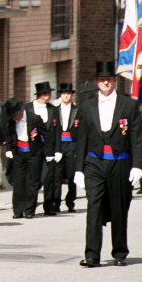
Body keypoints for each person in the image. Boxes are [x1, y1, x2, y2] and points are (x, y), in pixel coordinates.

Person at [74, 61, 142, 267]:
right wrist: (78, 169)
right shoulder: (86, 106)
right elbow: (81, 140)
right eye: (101, 79)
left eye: (109, 79)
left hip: (120, 162)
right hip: (94, 162)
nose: (105, 82)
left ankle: (120, 252)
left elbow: (136, 138)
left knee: (119, 207)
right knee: (93, 207)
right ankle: (92, 255)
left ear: (114, 81)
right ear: (96, 82)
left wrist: (137, 165)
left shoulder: (128, 105)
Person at [4, 96, 54, 219]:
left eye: (15, 115)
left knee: (32, 182)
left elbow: (47, 135)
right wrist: (9, 150)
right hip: (19, 154)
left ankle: (29, 210)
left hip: (33, 153)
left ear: (21, 112)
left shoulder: (34, 118)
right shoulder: (11, 122)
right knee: (18, 182)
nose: (14, 118)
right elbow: (9, 136)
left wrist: (48, 153)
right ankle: (18, 210)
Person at [31, 82, 62, 215]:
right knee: (33, 179)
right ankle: (30, 207)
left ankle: (49, 206)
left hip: (49, 148)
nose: (50, 96)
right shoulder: (28, 108)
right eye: (47, 94)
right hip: (33, 148)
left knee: (49, 179)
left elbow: (57, 130)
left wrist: (58, 149)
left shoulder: (53, 109)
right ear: (41, 95)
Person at [55, 83, 80, 212]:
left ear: (71, 95)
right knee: (57, 175)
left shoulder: (77, 111)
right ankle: (56, 203)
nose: (66, 96)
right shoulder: (55, 110)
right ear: (60, 95)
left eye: (68, 93)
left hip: (72, 144)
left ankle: (70, 202)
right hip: (59, 144)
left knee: (71, 175)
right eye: (64, 93)